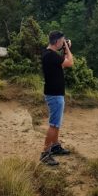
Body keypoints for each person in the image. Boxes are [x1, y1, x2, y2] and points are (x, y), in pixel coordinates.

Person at [40, 30, 74, 166]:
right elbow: (70, 63)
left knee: (56, 123)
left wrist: (64, 49)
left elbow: (62, 63)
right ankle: (45, 153)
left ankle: (55, 146)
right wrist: (67, 48)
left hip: (55, 93)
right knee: (53, 125)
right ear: (57, 42)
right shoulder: (51, 55)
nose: (63, 43)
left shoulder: (49, 54)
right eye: (62, 41)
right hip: (54, 95)